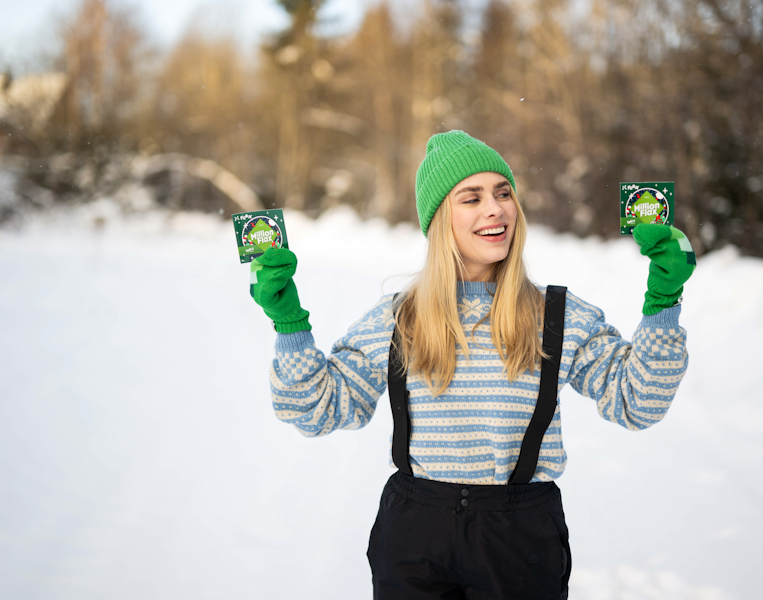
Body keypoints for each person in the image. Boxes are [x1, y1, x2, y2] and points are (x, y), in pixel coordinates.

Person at [249, 130, 694, 599]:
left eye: (504, 193)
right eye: (472, 197)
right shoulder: (398, 319)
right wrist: (289, 323)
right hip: (414, 538)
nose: (496, 208)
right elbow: (316, 409)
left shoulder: (556, 316)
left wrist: (663, 300)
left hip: (519, 540)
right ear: (440, 219)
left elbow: (637, 402)